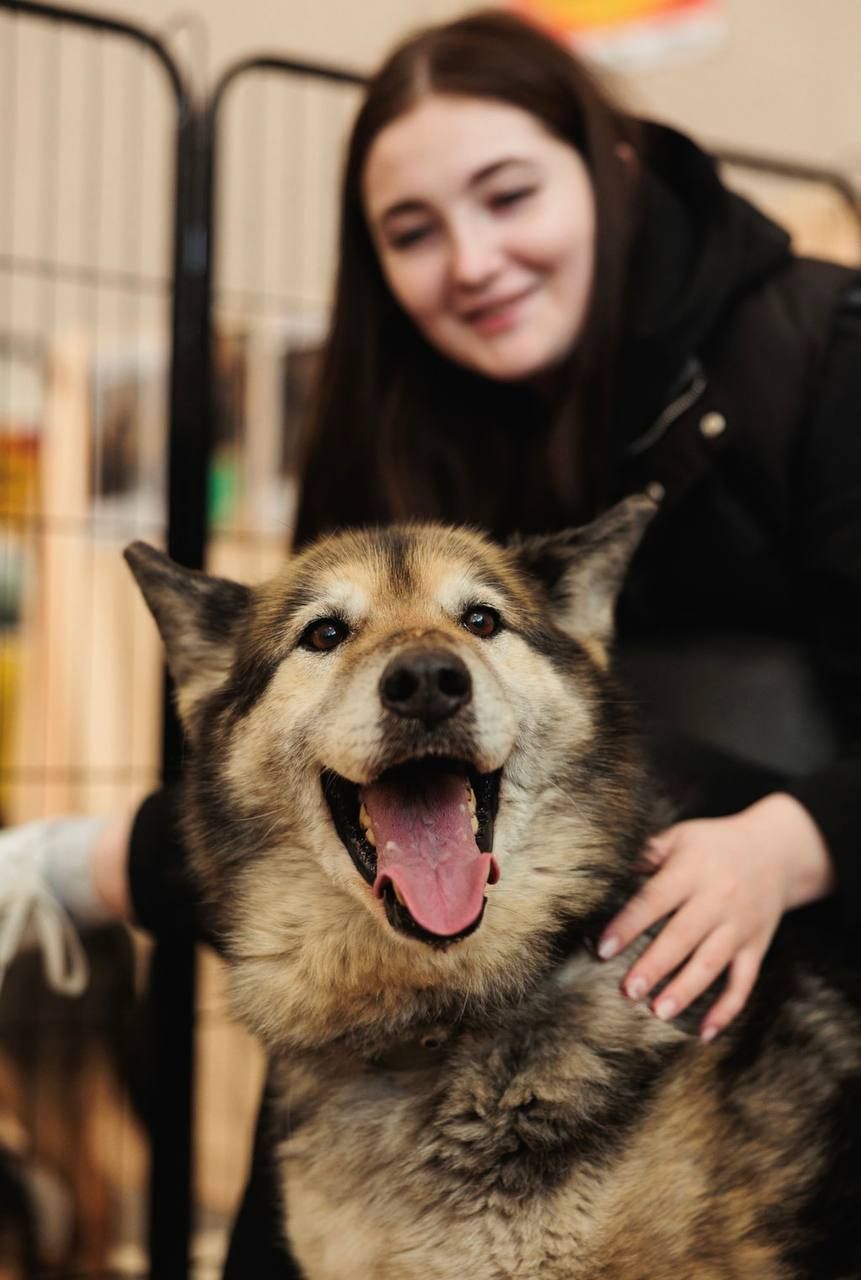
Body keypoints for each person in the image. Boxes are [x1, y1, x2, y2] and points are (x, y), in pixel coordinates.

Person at [1, 9, 859, 1276]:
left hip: (792, 891)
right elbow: (256, 800)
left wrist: (799, 841)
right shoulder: (396, 422)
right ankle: (60, 863)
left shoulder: (818, 345)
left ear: (609, 165)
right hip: (486, 909)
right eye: (413, 231)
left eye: (508, 193)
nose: (472, 258)